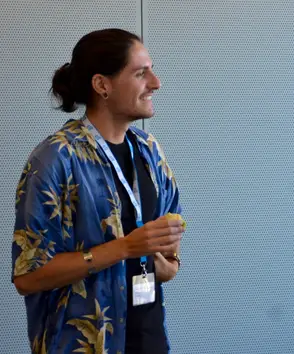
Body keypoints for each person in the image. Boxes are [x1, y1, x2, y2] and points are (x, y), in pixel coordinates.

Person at [12, 28, 184, 354]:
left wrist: (165, 259)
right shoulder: (54, 159)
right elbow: (28, 277)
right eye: (140, 73)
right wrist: (124, 248)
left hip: (149, 341)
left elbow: (168, 264)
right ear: (102, 85)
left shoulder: (150, 152)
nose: (156, 83)